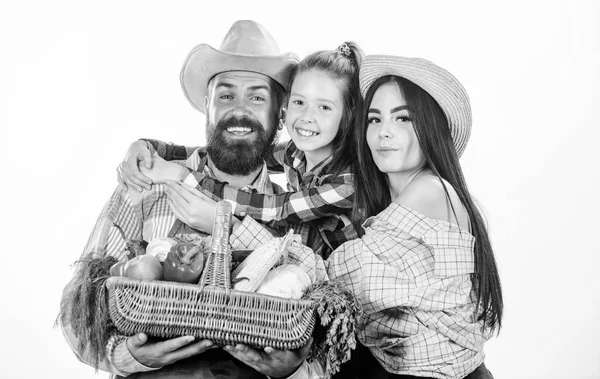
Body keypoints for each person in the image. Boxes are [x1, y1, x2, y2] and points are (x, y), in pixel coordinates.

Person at [59, 20, 324, 379]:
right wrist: (130, 357)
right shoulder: (146, 187)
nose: (239, 110)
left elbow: (326, 341)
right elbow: (78, 316)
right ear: (206, 105)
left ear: (280, 113)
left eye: (257, 97)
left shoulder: (296, 212)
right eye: (226, 95)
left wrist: (293, 370)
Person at [325, 55, 503, 378]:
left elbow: (349, 276)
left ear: (429, 128)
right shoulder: (391, 209)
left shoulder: (432, 190)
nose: (384, 133)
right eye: (374, 120)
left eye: (402, 118)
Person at [118, 41, 364, 259]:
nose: (307, 117)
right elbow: (233, 147)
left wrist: (184, 179)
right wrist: (148, 147)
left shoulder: (347, 182)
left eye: (324, 107)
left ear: (347, 117)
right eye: (300, 102)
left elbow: (276, 209)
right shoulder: (295, 154)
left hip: (340, 276)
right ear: (287, 109)